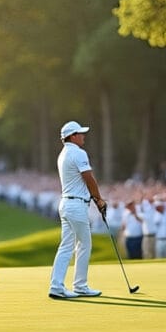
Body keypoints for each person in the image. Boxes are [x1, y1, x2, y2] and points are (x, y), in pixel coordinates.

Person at [48, 121, 107, 299]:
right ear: (72, 136)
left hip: (66, 204)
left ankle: (56, 286)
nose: (83, 136)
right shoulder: (79, 153)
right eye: (80, 133)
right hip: (76, 206)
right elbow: (89, 178)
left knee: (66, 246)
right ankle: (80, 286)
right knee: (84, 244)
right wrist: (99, 199)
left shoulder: (63, 154)